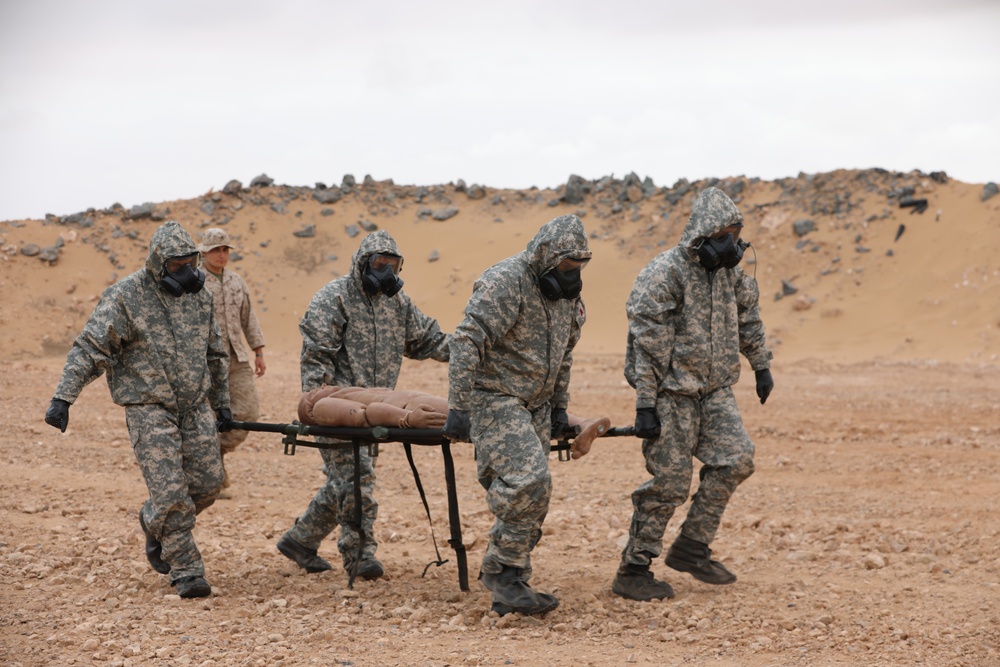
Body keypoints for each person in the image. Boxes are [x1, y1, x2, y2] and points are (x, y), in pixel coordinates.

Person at [43, 220, 232, 599]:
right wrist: (63, 397)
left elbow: (215, 354)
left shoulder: (201, 297)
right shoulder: (127, 296)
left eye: (190, 263)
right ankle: (186, 570)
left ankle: (152, 519)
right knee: (172, 493)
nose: (187, 271)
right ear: (159, 263)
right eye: (177, 266)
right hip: (149, 406)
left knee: (209, 485)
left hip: (194, 406)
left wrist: (222, 403)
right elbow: (91, 348)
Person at [611, 187, 774, 602]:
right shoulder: (664, 273)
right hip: (671, 394)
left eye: (737, 234)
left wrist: (761, 365)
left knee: (736, 460)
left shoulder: (731, 274)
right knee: (669, 483)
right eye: (724, 234)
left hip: (715, 390)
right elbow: (647, 343)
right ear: (702, 233)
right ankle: (634, 569)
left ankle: (691, 547)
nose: (732, 244)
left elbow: (748, 318)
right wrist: (646, 403)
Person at [276, 230, 451, 581]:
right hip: (339, 409)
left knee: (345, 481)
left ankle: (300, 540)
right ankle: (359, 555)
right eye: (379, 264)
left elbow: (427, 339)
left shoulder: (397, 304)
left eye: (394, 265)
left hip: (377, 410)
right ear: (362, 264)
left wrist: (474, 349)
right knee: (357, 478)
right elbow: (317, 356)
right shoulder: (335, 298)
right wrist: (319, 410)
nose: (386, 272)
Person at [443, 214, 592, 616]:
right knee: (528, 479)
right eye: (565, 266)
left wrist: (560, 408)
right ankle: (501, 573)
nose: (573, 274)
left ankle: (511, 582)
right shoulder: (507, 280)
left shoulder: (569, 297)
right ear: (545, 258)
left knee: (535, 496)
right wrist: (459, 406)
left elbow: (564, 356)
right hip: (495, 397)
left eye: (579, 266)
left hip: (537, 406)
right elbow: (466, 341)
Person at [296, 385, 610, 458]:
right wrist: (406, 420)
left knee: (496, 413)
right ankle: (580, 422)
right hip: (417, 411)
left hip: (418, 406)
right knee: (497, 414)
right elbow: (366, 417)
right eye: (311, 391)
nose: (317, 387)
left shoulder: (348, 390)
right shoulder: (322, 405)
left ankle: (580, 423)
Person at [197, 227, 266, 493]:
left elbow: (248, 318)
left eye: (225, 249)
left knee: (248, 413)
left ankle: (215, 457)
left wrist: (258, 350)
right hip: (204, 360)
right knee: (207, 417)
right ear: (204, 252)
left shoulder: (237, 281)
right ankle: (210, 477)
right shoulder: (195, 281)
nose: (222, 254)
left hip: (237, 358)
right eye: (216, 249)